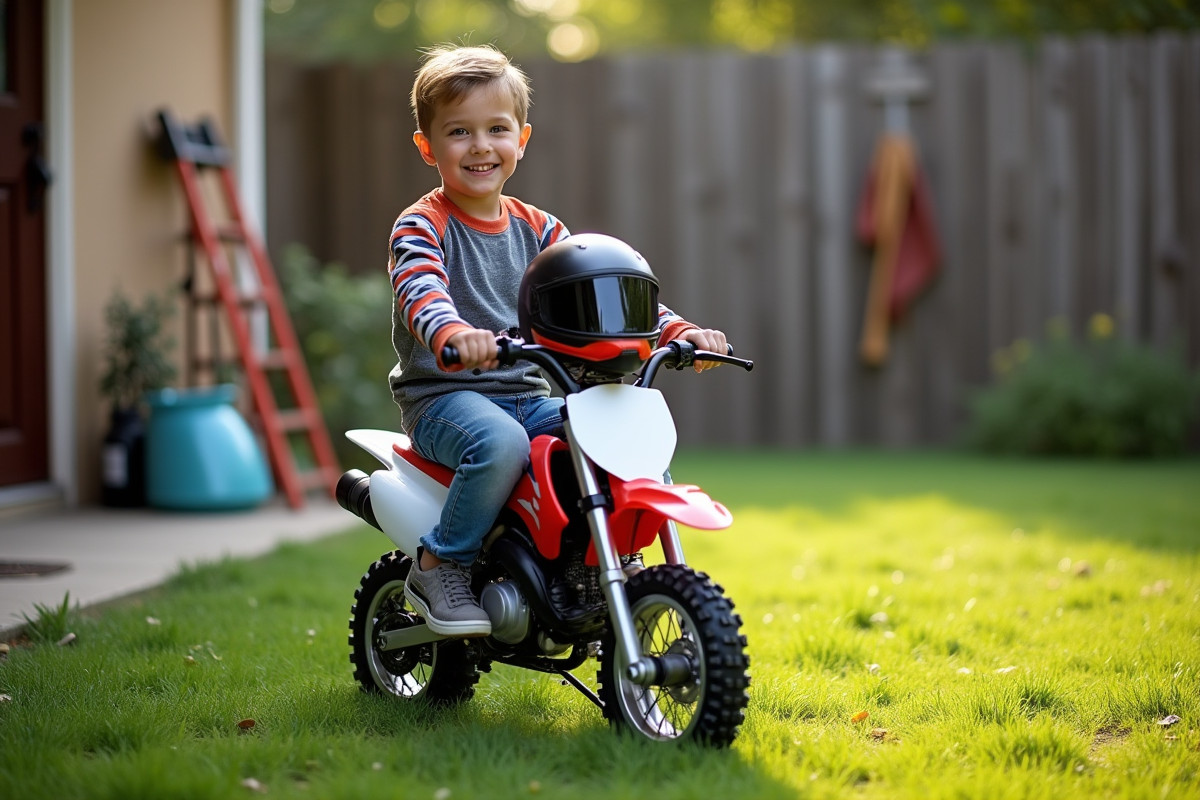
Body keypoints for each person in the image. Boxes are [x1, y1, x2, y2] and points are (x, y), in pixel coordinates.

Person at [388, 44, 726, 636]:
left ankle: (603, 565)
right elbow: (420, 287)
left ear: (522, 138)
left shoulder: (542, 230)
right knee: (501, 444)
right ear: (427, 147)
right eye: (459, 131)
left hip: (527, 389)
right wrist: (452, 332)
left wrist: (677, 331)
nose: (480, 146)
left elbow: (602, 294)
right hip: (445, 397)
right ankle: (442, 562)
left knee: (613, 435)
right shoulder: (423, 223)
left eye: (496, 129)